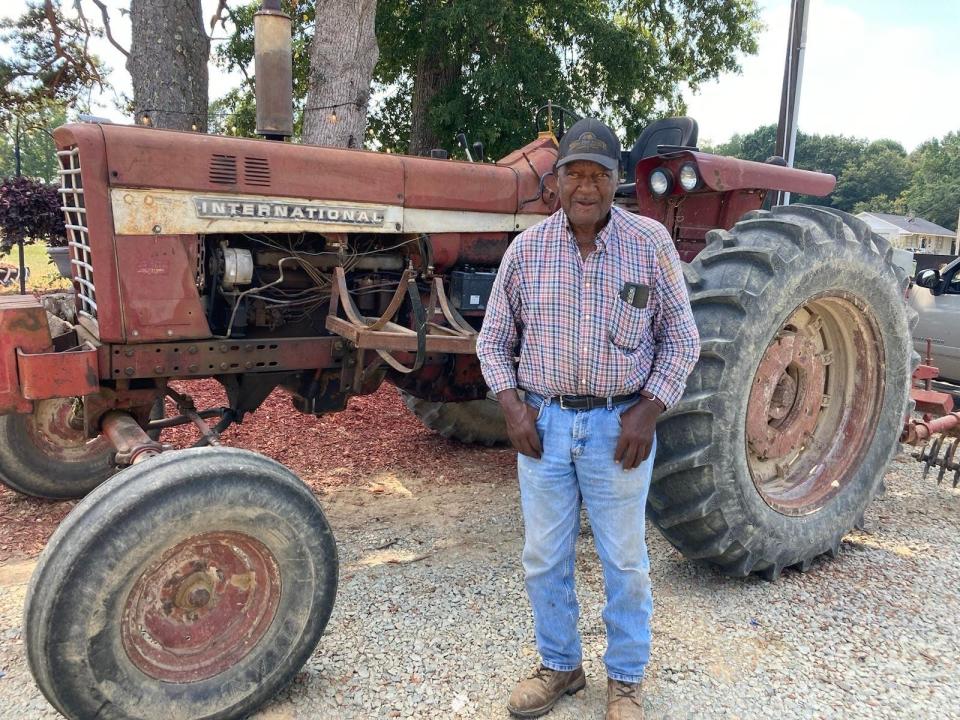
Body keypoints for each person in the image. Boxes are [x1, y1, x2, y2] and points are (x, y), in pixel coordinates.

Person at [476, 117, 700, 720]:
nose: (585, 187)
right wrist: (512, 406)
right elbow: (493, 340)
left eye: (598, 174)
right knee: (544, 557)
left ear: (617, 181)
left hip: (617, 429)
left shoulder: (648, 245)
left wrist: (648, 411)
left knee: (623, 559)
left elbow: (682, 340)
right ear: (555, 182)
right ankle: (560, 667)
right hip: (544, 429)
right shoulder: (526, 252)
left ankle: (625, 680)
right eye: (573, 173)